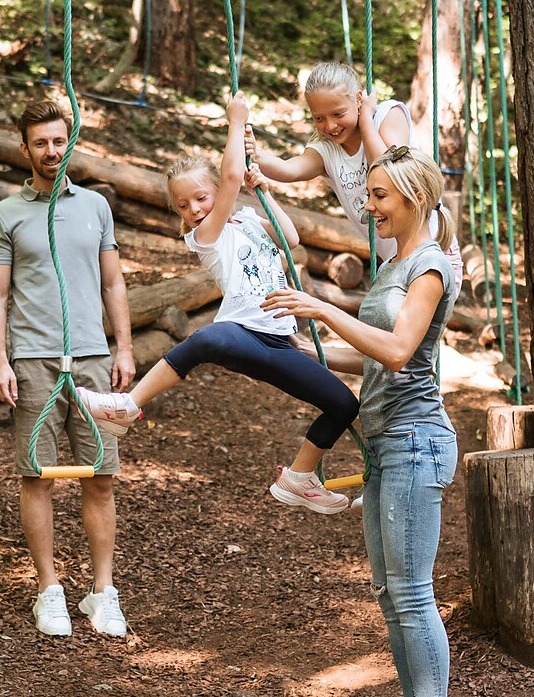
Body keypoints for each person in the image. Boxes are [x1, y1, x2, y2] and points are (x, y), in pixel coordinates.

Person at [262, 148, 465, 697]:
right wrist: (308, 349)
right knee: (390, 591)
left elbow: (401, 351)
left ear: (414, 198)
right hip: (384, 443)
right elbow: (374, 357)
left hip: (415, 440)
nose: (369, 206)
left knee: (412, 593)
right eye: (370, 194)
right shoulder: (393, 266)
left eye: (379, 196)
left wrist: (325, 308)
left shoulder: (428, 266)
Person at [78, 96, 359, 515]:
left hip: (280, 340)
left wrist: (263, 190)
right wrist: (237, 120)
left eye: (201, 199)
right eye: (184, 205)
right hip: (244, 332)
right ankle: (128, 405)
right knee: (211, 337)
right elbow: (229, 178)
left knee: (344, 404)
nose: (194, 209)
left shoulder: (244, 218)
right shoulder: (205, 235)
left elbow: (290, 240)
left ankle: (299, 477)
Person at [0, 96, 135, 638]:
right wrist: (2, 359)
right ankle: (49, 590)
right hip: (34, 361)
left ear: (71, 142)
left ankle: (102, 592)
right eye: (41, 142)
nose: (51, 151)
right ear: (24, 149)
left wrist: (124, 348)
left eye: (59, 140)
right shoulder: (6, 214)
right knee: (37, 477)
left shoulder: (96, 207)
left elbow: (114, 282)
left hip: (92, 358)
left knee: (100, 477)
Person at [247, 61, 461, 278]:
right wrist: (256, 155)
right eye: (318, 118)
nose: (330, 126)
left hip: (434, 251)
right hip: (395, 262)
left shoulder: (387, 116)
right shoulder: (327, 150)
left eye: (338, 114)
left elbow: (388, 170)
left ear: (359, 99)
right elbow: (289, 170)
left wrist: (366, 120)